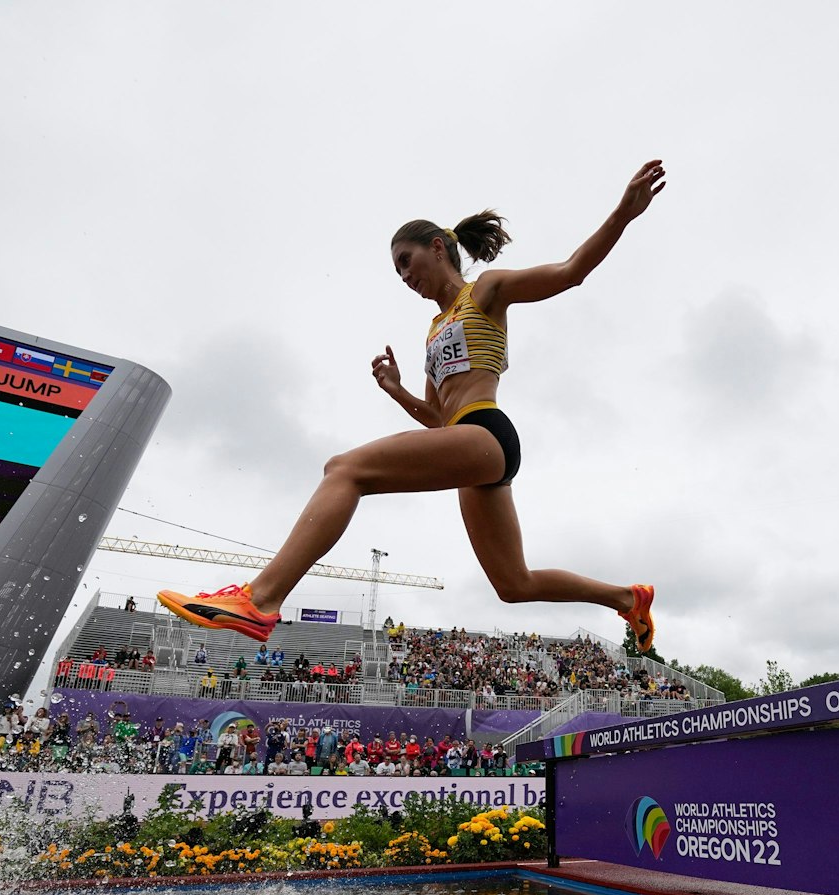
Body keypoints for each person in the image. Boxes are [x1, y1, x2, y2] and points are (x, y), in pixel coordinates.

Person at [158, 162, 668, 652]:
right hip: (470, 448)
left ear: (438, 247)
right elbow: (436, 420)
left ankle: (260, 599)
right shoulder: (431, 334)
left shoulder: (485, 291)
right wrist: (397, 390)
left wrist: (624, 211)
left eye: (406, 261)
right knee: (513, 583)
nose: (403, 276)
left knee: (345, 469)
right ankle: (627, 598)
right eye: (397, 270)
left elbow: (570, 271)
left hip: (488, 431)